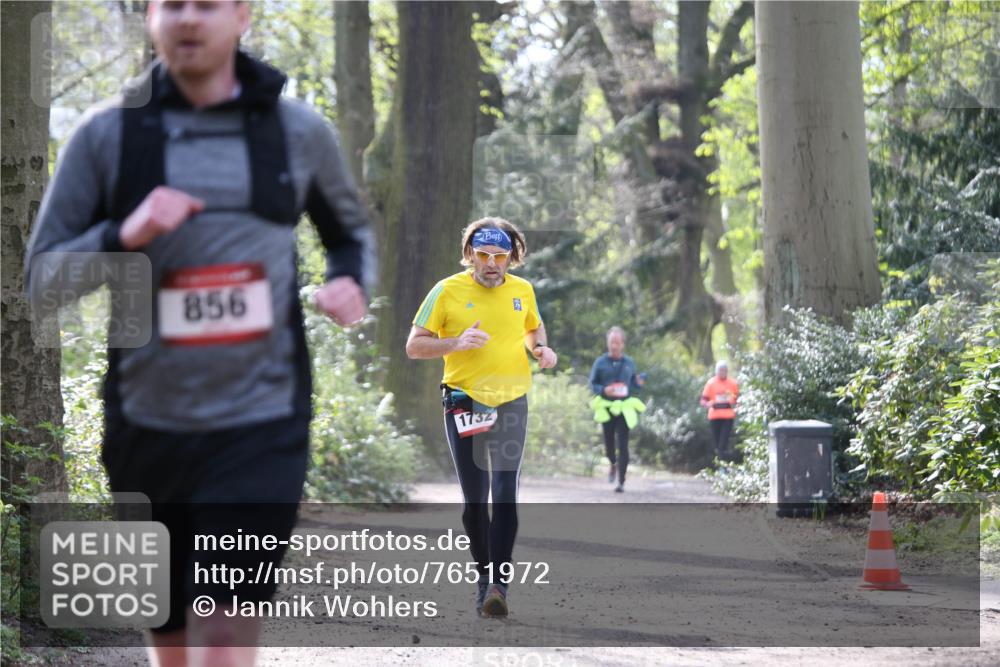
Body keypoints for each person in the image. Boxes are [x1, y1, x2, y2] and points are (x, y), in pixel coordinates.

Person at [25, 1, 374, 664]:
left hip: (263, 419)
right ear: (151, 16)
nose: (189, 18)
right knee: (175, 634)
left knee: (222, 628)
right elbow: (41, 281)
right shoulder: (109, 136)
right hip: (146, 422)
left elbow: (349, 234)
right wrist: (124, 234)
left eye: (207, 4)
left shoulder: (296, 132)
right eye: (172, 4)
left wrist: (351, 280)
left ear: (242, 15)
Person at [405, 217, 556, 618]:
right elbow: (414, 346)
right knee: (476, 501)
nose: (491, 264)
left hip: (511, 401)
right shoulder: (447, 291)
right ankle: (483, 575)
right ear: (470, 255)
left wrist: (542, 349)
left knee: (505, 493)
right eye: (483, 255)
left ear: (512, 257)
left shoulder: (523, 291)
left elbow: (533, 330)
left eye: (499, 256)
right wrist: (456, 342)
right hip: (464, 402)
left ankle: (498, 586)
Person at [588, 327, 645, 493]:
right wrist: (604, 390)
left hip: (624, 408)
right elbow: (592, 384)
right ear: (608, 343)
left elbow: (633, 384)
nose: (614, 345)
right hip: (606, 408)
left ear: (622, 344)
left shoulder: (629, 363)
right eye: (612, 342)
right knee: (609, 445)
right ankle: (612, 463)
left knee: (623, 444)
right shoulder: (600, 363)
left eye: (617, 342)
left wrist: (638, 383)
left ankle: (621, 480)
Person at [701, 360, 739, 460]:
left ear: (727, 371)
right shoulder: (711, 383)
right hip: (714, 416)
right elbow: (703, 400)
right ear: (716, 371)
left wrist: (732, 400)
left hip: (728, 417)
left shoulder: (732, 383)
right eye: (720, 370)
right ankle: (721, 465)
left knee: (723, 443)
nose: (722, 372)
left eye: (724, 370)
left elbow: (736, 398)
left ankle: (723, 467)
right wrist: (707, 404)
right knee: (717, 444)